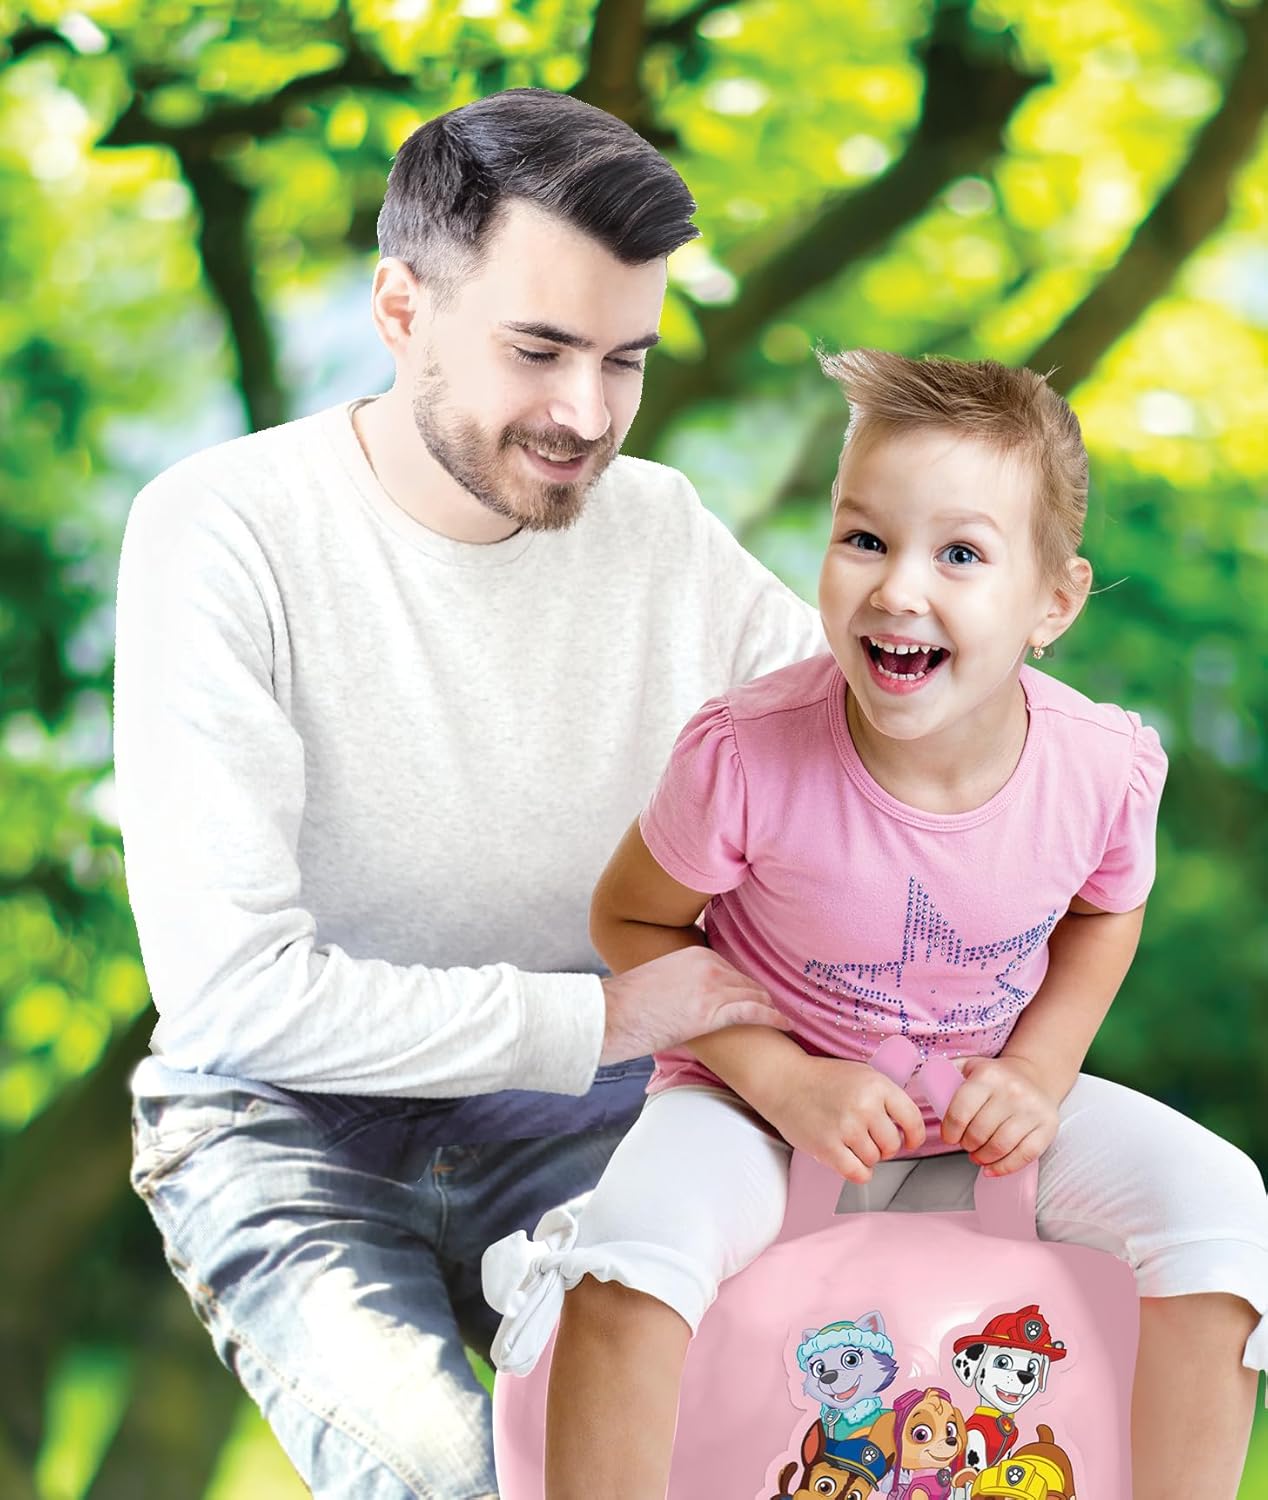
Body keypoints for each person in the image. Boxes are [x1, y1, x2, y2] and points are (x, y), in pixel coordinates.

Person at [113, 88, 825, 1499]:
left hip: (578, 1120)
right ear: (402, 308)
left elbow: (868, 749)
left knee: (764, 1445)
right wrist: (611, 1015)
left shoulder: (658, 532)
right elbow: (231, 995)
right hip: (288, 1126)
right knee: (451, 1480)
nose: (585, 414)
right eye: (539, 350)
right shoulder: (224, 529)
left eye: (623, 360)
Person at [484, 350, 1268, 1497]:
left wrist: (1037, 1072)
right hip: (750, 1112)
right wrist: (780, 1079)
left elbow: (1107, 908)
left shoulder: (1099, 769)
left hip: (980, 1109)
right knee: (623, 1266)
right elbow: (632, 919)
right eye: (863, 538)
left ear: (1051, 603)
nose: (898, 589)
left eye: (959, 554)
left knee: (1218, 1200)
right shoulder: (746, 755)